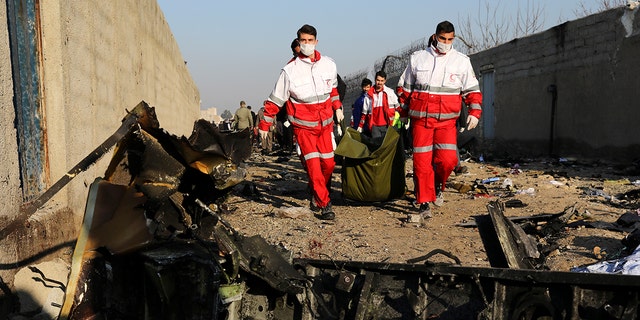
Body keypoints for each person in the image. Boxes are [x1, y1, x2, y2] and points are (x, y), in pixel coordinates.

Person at [396, 20, 482, 219]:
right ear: (435, 37)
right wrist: (403, 114)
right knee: (421, 163)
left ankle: (437, 185)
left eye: (450, 39)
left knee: (448, 161)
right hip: (421, 121)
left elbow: (472, 91)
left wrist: (475, 113)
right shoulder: (418, 59)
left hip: (446, 122)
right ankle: (424, 202)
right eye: (443, 39)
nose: (446, 43)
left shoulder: (461, 61)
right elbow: (405, 89)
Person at [259, 24, 344, 220]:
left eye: (310, 41)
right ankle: (324, 204)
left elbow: (332, 89)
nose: (306, 44)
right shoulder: (290, 71)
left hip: (325, 126)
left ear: (316, 42)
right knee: (313, 166)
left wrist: (337, 106)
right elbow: (275, 99)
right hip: (304, 127)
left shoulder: (329, 64)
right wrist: (265, 123)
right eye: (303, 41)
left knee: (329, 165)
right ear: (298, 42)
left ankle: (318, 193)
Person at [357, 71, 399, 143]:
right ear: (375, 80)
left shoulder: (390, 93)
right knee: (377, 147)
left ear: (385, 81)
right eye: (378, 80)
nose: (379, 83)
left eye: (382, 81)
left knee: (388, 146)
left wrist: (404, 117)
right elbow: (364, 113)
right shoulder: (368, 95)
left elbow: (398, 107)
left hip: (388, 125)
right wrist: (360, 126)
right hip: (374, 127)